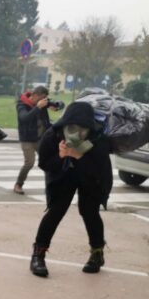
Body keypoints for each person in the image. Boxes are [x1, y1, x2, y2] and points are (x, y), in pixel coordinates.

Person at [30, 101, 113, 277]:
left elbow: (100, 171)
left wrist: (80, 157)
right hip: (63, 176)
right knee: (56, 211)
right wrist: (61, 157)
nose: (78, 132)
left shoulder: (98, 139)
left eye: (84, 128)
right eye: (73, 126)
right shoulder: (53, 135)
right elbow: (44, 163)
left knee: (89, 211)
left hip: (91, 179)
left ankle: (97, 253)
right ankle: (38, 255)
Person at [14, 85, 63, 195]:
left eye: (45, 98)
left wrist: (56, 106)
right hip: (27, 139)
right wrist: (38, 107)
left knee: (48, 162)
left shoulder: (42, 103)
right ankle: (18, 184)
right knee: (29, 163)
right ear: (35, 95)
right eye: (42, 98)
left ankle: (50, 186)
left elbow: (57, 104)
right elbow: (24, 119)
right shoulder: (22, 105)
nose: (43, 101)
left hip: (41, 138)